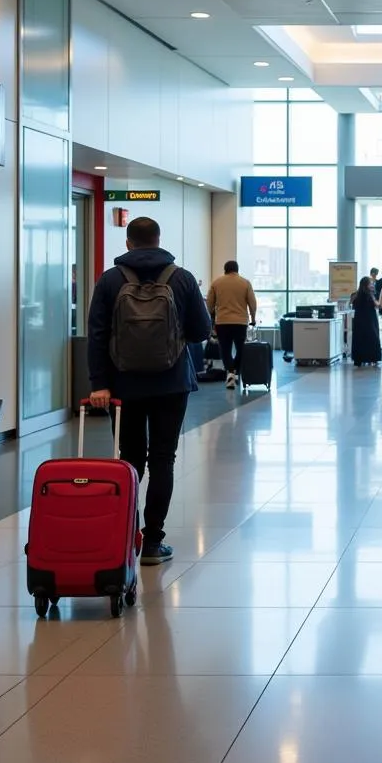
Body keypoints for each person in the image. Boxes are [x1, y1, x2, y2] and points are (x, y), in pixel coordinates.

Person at [87, 217, 211, 566]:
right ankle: (154, 543)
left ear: (128, 243)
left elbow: (96, 334)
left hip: (123, 386)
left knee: (129, 459)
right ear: (159, 240)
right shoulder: (182, 278)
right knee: (162, 458)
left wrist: (100, 383)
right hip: (172, 384)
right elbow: (202, 331)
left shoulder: (110, 280)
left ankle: (127, 535)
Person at [206, 260, 257, 389]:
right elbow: (252, 303)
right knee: (241, 349)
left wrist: (211, 317)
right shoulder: (245, 283)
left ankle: (230, 372)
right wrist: (253, 318)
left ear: (225, 269)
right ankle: (235, 372)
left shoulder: (216, 283)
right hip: (240, 322)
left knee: (225, 350)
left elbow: (209, 304)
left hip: (222, 322)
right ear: (237, 270)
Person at [350, 276, 382, 367]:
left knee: (359, 339)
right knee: (372, 338)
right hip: (370, 319)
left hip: (359, 320)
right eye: (371, 284)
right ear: (366, 285)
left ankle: (359, 359)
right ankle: (373, 358)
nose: (372, 285)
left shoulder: (355, 295)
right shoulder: (370, 295)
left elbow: (352, 304)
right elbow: (377, 305)